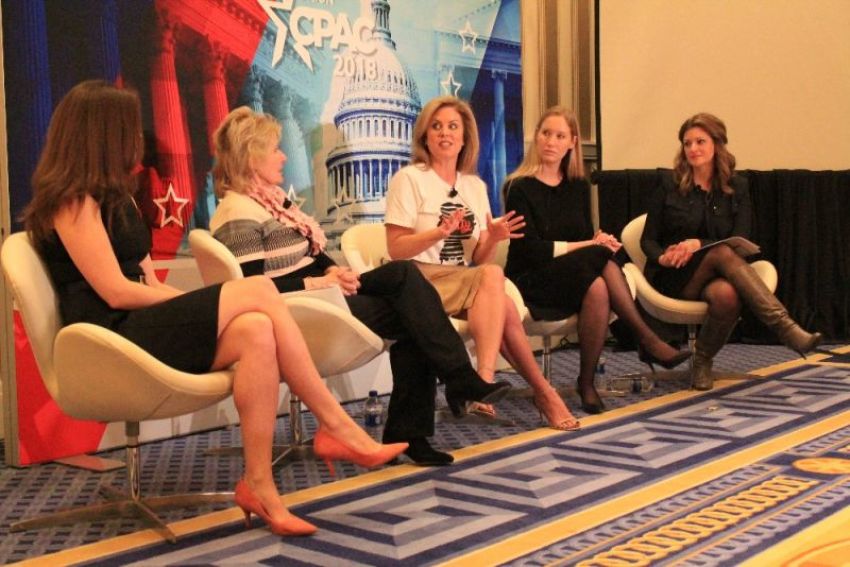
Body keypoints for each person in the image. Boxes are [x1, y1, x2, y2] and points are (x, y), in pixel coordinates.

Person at [22, 80, 407, 538]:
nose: (138, 140)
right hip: (107, 334)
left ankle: (259, 485)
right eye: (128, 129)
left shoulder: (115, 197)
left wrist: (191, 303)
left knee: (258, 330)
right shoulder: (73, 201)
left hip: (136, 324)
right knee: (259, 294)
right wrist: (187, 302)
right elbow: (115, 293)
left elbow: (139, 275)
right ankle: (336, 425)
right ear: (103, 134)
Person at [208, 107, 512, 466]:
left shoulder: (270, 201)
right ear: (250, 154)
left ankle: (430, 412)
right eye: (275, 148)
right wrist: (321, 280)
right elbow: (252, 287)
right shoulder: (237, 210)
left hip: (324, 292)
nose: (283, 155)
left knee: (404, 281)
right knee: (413, 310)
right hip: (299, 307)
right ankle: (441, 399)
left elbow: (314, 253)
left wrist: (337, 272)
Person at [384, 95, 580, 430]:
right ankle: (487, 381)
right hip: (418, 281)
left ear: (464, 137)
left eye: (453, 127)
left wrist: (493, 237)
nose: (445, 133)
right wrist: (437, 233)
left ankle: (534, 391)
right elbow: (396, 249)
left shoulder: (474, 186)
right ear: (425, 136)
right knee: (493, 280)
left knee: (498, 299)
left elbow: (478, 258)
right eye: (437, 126)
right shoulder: (410, 178)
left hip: (460, 279)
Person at [502, 106, 691, 413]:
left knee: (599, 287)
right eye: (545, 133)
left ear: (572, 143)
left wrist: (596, 240)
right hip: (531, 281)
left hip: (573, 276)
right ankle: (646, 338)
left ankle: (586, 382)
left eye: (559, 135)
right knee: (600, 256)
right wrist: (592, 244)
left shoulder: (578, 185)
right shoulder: (518, 187)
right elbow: (530, 250)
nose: (550, 141)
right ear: (536, 138)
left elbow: (584, 237)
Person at [641, 112, 822, 390]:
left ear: (717, 144)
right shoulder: (668, 184)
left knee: (726, 295)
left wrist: (699, 244)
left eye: (700, 141)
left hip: (714, 276)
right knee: (722, 253)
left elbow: (742, 237)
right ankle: (785, 328)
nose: (693, 149)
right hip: (673, 275)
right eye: (687, 143)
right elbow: (647, 241)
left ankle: (702, 360)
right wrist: (663, 256)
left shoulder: (737, 187)